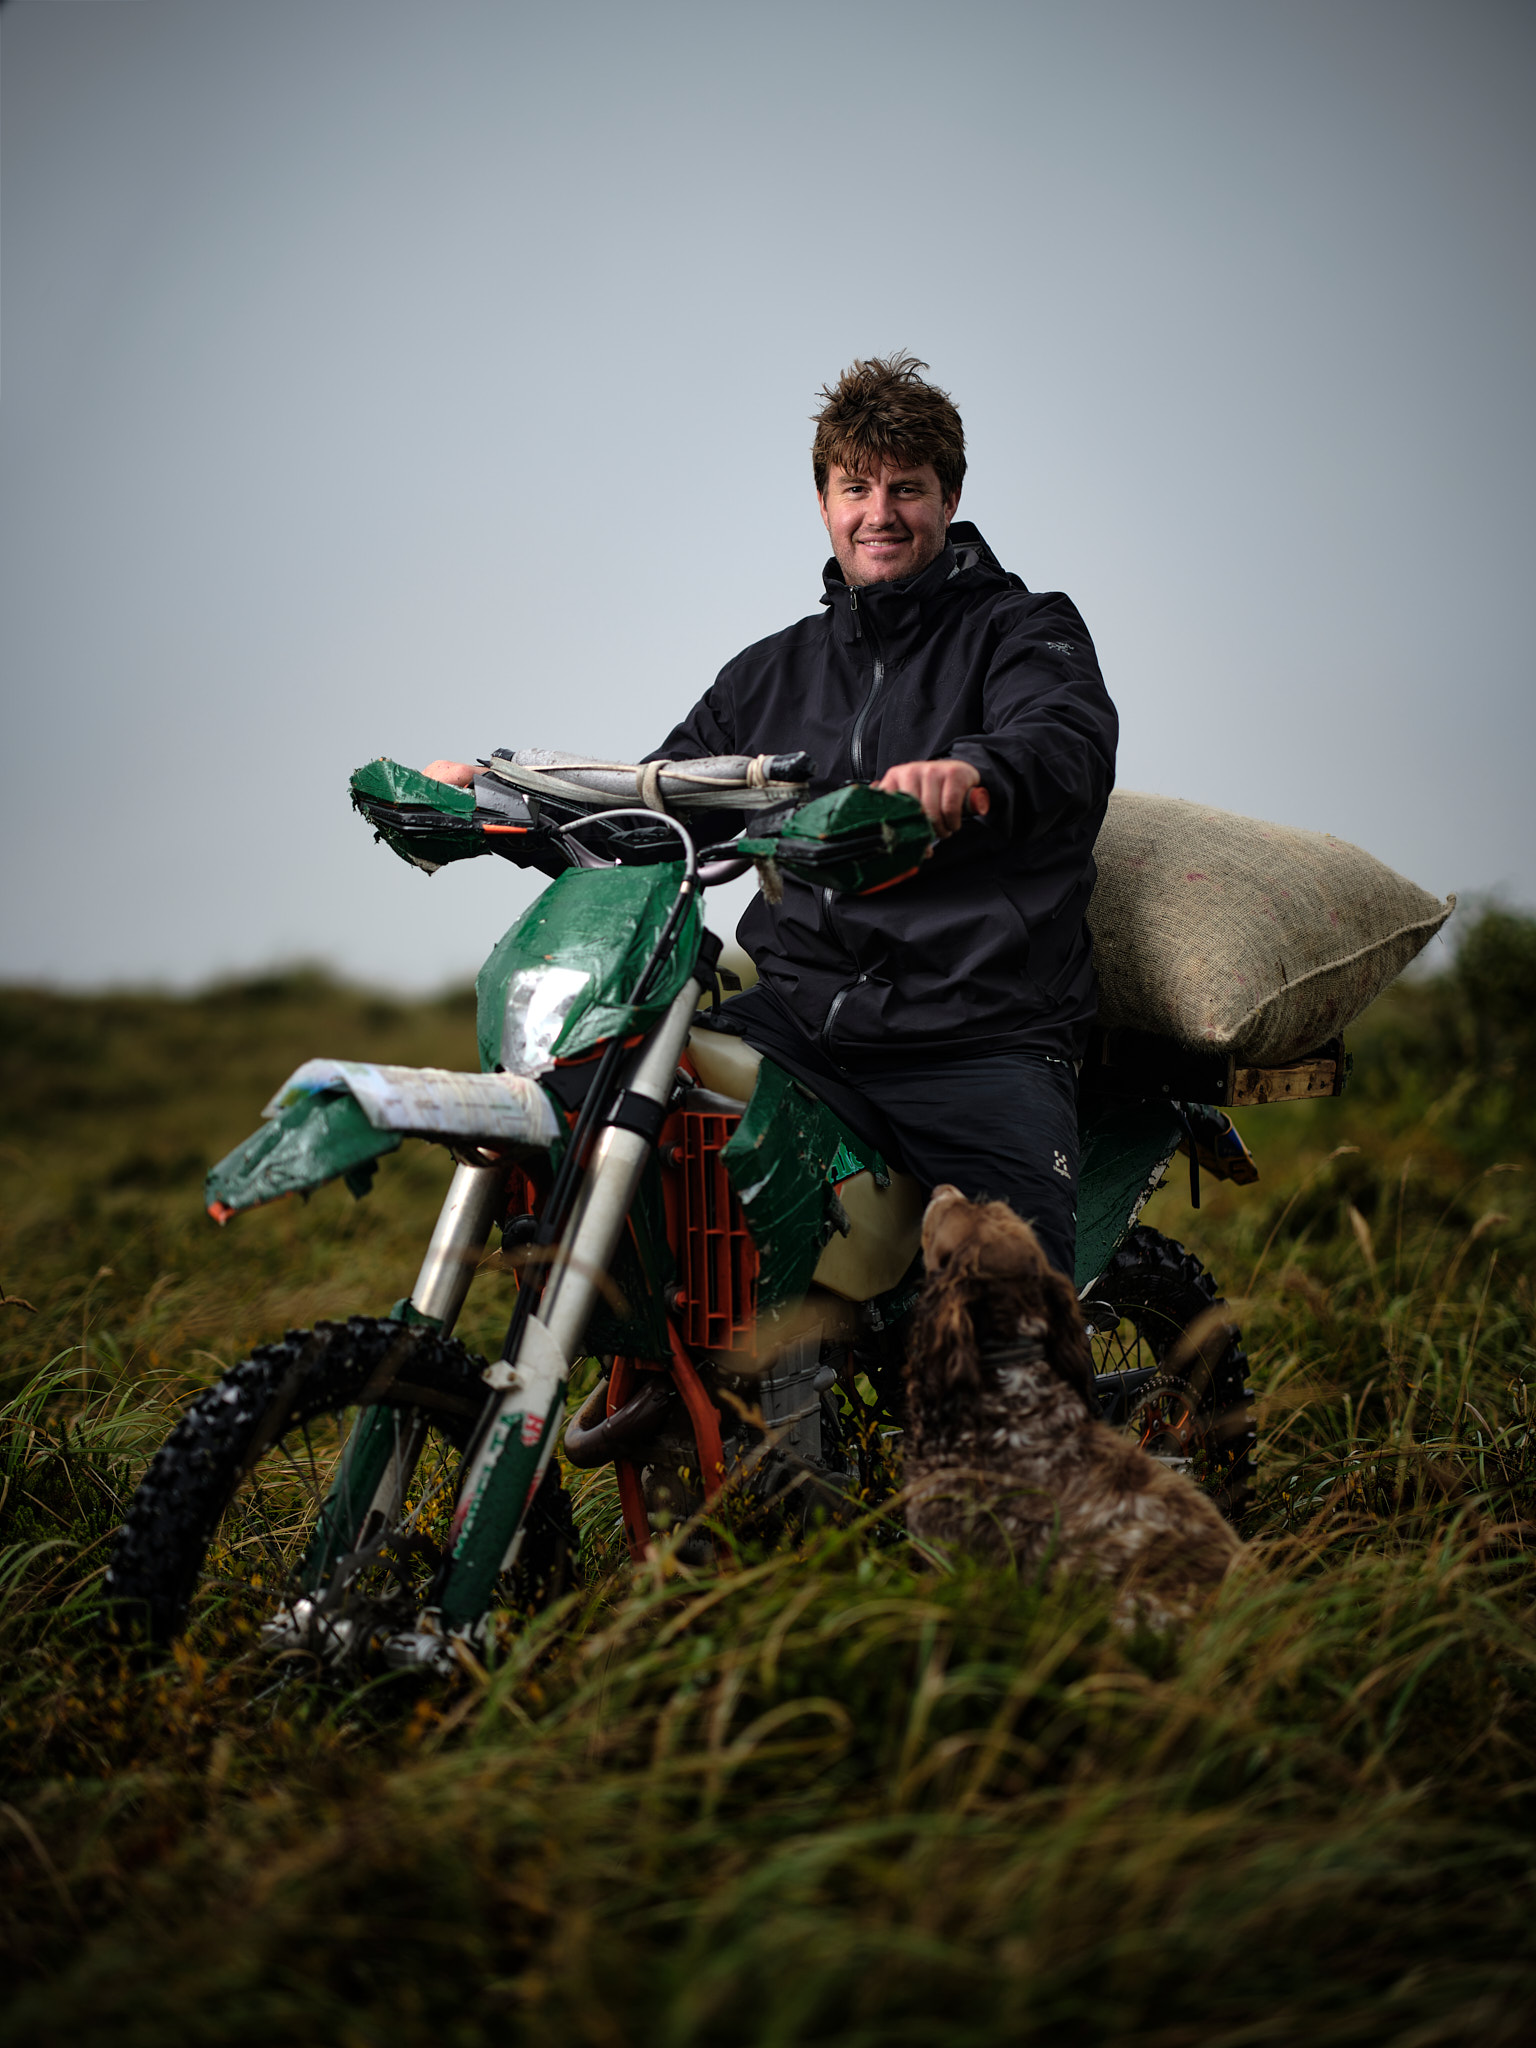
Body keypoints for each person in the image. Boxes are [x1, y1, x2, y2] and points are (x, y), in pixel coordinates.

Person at [428, 355, 1117, 1280]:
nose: (881, 512)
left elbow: (1063, 744)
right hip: (799, 1020)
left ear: (949, 497)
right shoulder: (770, 672)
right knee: (614, 1122)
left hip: (976, 1030)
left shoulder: (1025, 630)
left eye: (907, 488)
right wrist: (498, 795)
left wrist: (966, 773)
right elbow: (659, 805)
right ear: (825, 504)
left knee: (1013, 1320)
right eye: (856, 487)